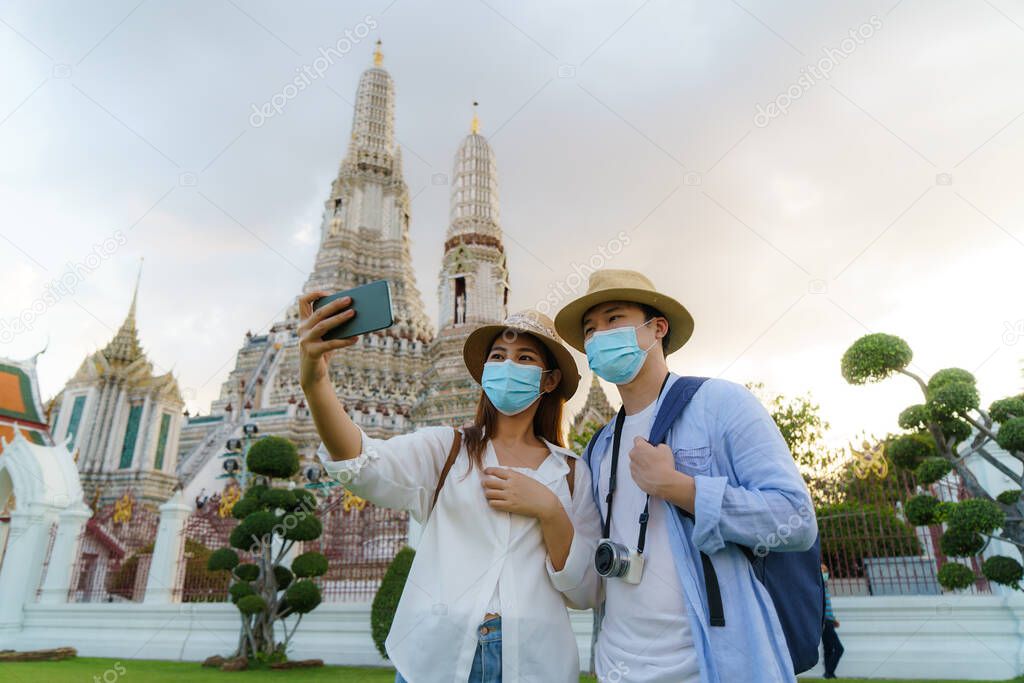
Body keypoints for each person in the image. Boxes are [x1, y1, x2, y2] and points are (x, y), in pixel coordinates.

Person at [298, 293, 602, 683]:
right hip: (438, 657)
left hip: (533, 662)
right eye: (498, 356)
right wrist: (316, 380)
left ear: (550, 379)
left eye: (525, 358)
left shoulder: (573, 472)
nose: (508, 365)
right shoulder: (448, 449)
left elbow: (585, 592)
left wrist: (550, 510)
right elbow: (360, 463)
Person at [553, 269, 818, 683]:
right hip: (617, 666)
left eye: (614, 319)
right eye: (589, 330)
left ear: (657, 328)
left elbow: (795, 519)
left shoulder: (720, 404)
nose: (599, 336)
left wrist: (681, 489)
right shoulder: (600, 447)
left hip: (711, 664)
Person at [821, 563, 844, 679]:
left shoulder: (825, 587)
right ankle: (829, 672)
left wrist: (833, 619)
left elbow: (826, 607)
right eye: (823, 572)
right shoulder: (819, 588)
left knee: (828, 649)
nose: (825, 574)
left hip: (829, 621)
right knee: (839, 648)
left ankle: (828, 673)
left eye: (826, 572)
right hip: (825, 622)